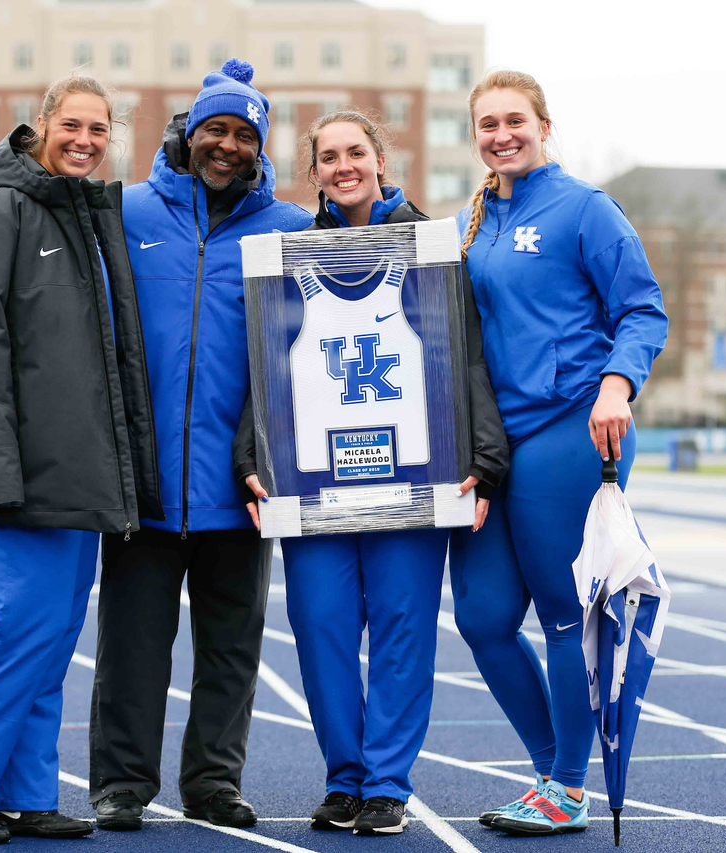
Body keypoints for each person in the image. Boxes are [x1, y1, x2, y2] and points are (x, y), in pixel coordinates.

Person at [236, 110, 509, 835]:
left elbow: (466, 361)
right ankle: (345, 775)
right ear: (314, 172)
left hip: (418, 471)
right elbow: (265, 373)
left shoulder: (432, 248)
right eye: (328, 156)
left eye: (356, 150)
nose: (343, 165)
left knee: (401, 626)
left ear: (380, 158)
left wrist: (483, 461)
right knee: (321, 623)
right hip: (313, 479)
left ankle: (386, 783)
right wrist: (251, 458)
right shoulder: (285, 259)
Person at [0, 74, 162, 845]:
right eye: (73, 125)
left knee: (51, 640)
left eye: (100, 129)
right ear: (42, 123)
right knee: (19, 629)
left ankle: (25, 790)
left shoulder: (82, 215)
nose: (85, 140)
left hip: (78, 473)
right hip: (18, 478)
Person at [88, 59, 312, 832]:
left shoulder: (288, 229)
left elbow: (378, 259)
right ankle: (120, 782)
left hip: (243, 484)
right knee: (132, 647)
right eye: (215, 128)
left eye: (244, 134)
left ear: (260, 147)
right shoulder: (127, 212)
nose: (227, 145)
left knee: (230, 650)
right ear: (188, 133)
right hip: (143, 484)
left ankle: (214, 781)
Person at [448, 70, 668, 836]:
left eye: (515, 120)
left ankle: (567, 786)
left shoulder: (584, 209)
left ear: (543, 125)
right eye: (487, 124)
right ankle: (552, 770)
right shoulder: (472, 224)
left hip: (572, 426)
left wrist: (617, 383)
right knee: (481, 616)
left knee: (565, 614)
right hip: (491, 443)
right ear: (474, 135)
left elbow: (642, 307)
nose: (501, 134)